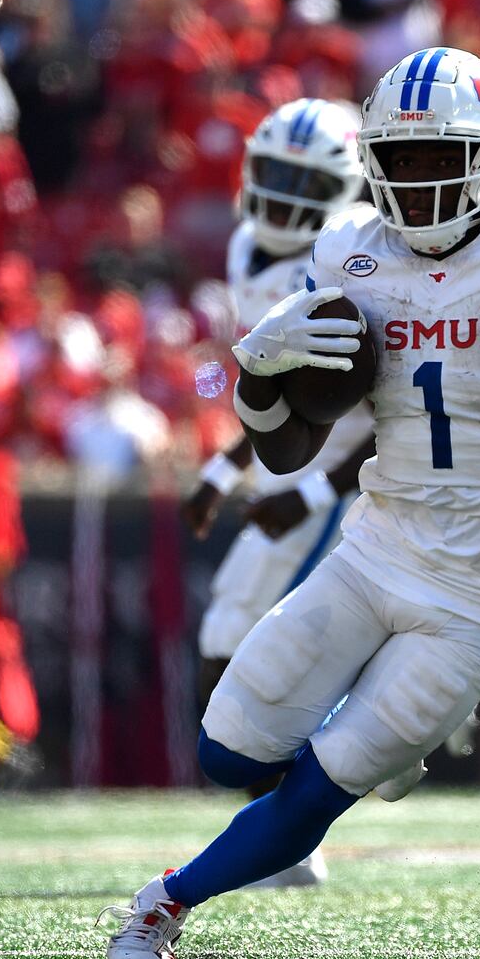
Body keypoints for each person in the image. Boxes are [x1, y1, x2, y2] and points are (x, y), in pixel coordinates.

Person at [99, 47, 480, 959]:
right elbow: (289, 449)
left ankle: (162, 904)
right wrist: (254, 378)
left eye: (437, 155)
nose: (414, 180)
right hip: (376, 546)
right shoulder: (349, 252)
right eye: (397, 158)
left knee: (320, 791)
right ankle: (374, 751)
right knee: (225, 752)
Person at [181, 98, 375, 890]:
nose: (289, 193)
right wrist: (224, 469)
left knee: (265, 648)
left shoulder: (358, 250)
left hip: (354, 473)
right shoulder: (243, 248)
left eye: (308, 178)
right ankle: (283, 834)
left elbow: (385, 409)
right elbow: (256, 380)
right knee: (225, 641)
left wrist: (315, 489)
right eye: (279, 173)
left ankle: (298, 822)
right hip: (283, 468)